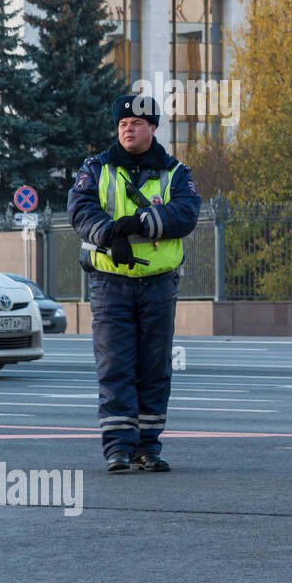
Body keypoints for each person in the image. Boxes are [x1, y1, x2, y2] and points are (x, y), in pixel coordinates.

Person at [68, 95, 201, 473]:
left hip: (159, 284)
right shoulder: (96, 168)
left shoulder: (176, 172)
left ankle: (148, 447)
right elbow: (79, 208)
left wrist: (139, 224)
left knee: (154, 367)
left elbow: (185, 214)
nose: (128, 128)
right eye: (123, 124)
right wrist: (112, 235)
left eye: (137, 123)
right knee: (115, 365)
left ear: (153, 128)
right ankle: (118, 448)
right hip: (110, 283)